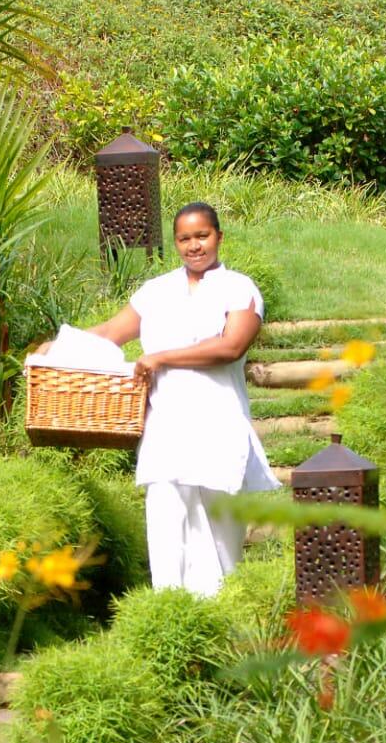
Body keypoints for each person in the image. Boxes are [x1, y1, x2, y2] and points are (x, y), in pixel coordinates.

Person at [81, 201, 277, 595]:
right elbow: (109, 332)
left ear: (219, 237)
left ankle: (221, 612)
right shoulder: (156, 291)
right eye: (185, 238)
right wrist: (61, 345)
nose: (194, 246)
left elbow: (230, 346)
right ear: (175, 243)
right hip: (166, 426)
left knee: (222, 533)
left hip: (217, 423)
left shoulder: (239, 288)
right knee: (166, 515)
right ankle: (169, 606)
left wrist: (161, 357)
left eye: (202, 236)